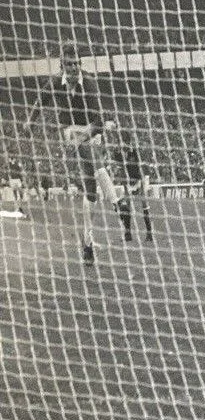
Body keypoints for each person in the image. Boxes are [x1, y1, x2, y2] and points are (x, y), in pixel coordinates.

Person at [23, 49, 131, 263]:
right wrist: (30, 121)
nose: (73, 68)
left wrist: (81, 138)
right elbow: (39, 102)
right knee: (91, 156)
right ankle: (117, 203)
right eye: (69, 64)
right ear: (62, 66)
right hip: (69, 127)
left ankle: (87, 245)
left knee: (90, 190)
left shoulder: (89, 83)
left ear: (79, 65)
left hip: (91, 128)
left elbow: (99, 122)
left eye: (76, 64)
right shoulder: (55, 83)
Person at [104, 123, 153, 242]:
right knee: (125, 205)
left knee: (144, 205)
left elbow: (140, 167)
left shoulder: (134, 152)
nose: (120, 144)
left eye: (122, 141)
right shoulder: (119, 153)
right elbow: (117, 165)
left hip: (140, 179)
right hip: (128, 181)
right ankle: (128, 234)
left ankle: (149, 233)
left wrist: (139, 185)